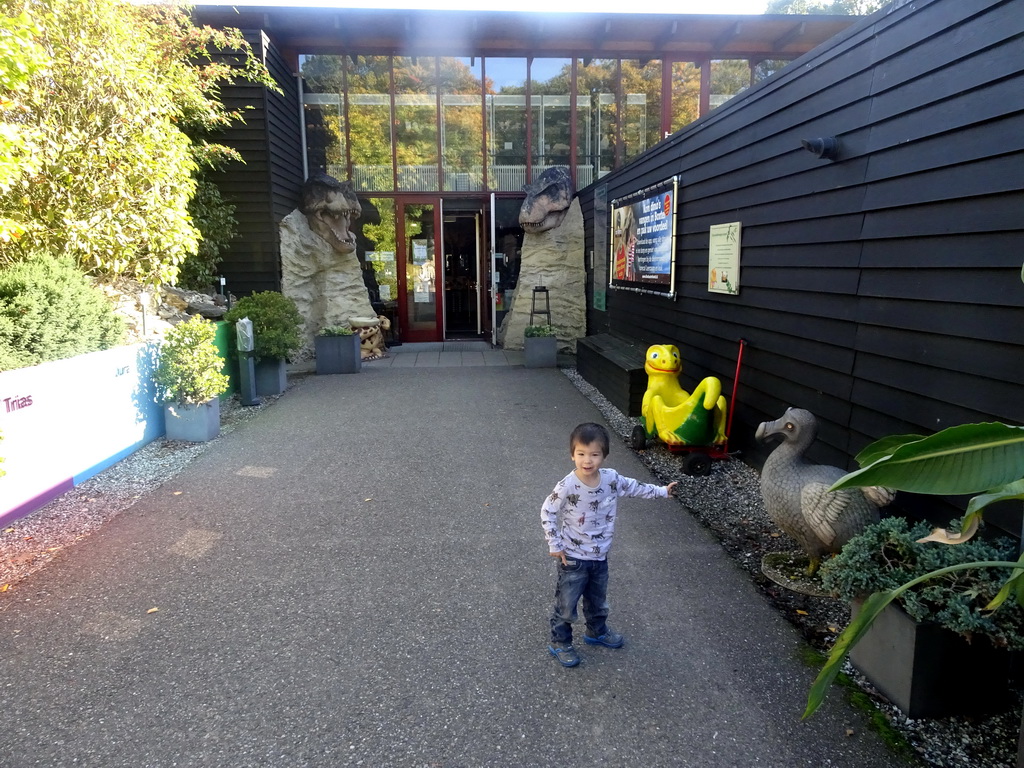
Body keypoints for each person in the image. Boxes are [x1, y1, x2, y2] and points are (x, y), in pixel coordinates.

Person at [541, 422, 677, 667]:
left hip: (600, 556)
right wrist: (555, 543)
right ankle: (560, 641)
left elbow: (634, 487)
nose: (587, 460)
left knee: (597, 600)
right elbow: (547, 511)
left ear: (604, 455)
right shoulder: (567, 485)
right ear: (572, 454)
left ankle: (596, 631)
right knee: (567, 604)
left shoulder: (611, 479)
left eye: (594, 454)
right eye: (581, 454)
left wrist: (661, 491)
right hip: (572, 558)